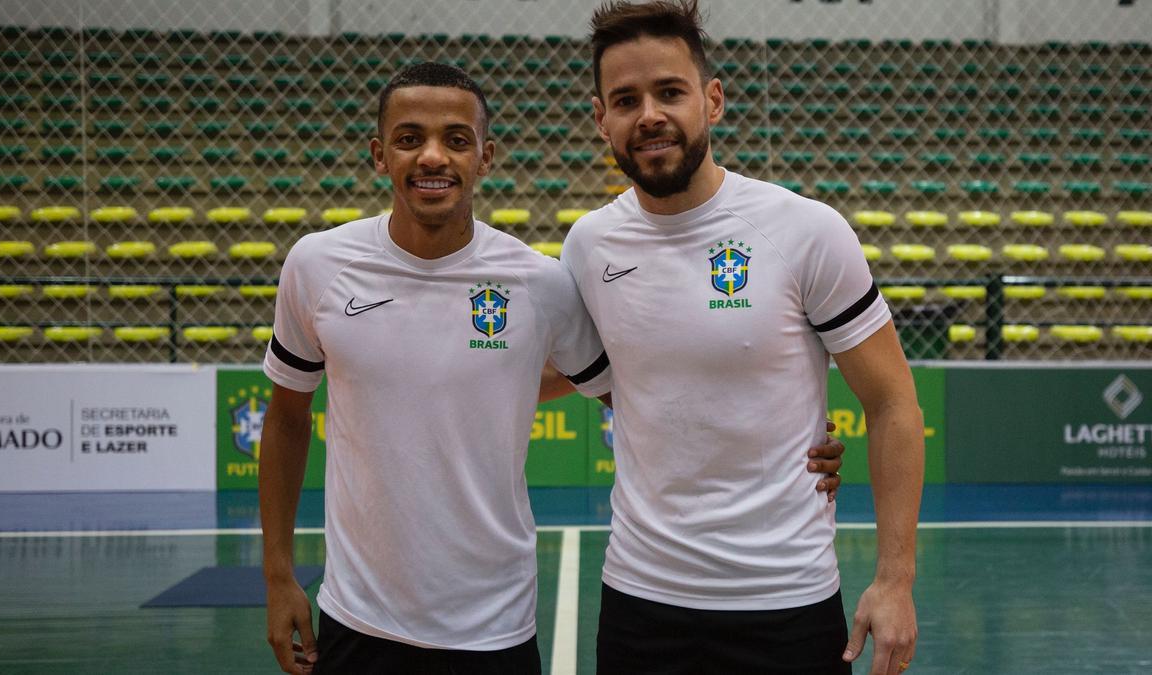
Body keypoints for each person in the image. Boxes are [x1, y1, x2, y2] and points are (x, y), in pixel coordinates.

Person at [258, 62, 847, 675]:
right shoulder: (317, 268)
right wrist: (278, 577)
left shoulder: (540, 284)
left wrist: (792, 434)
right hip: (357, 619)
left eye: (457, 140)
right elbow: (286, 422)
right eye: (409, 139)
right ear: (379, 155)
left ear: (486, 157)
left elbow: (635, 387)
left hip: (495, 628)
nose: (432, 157)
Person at [560, 2, 925, 674]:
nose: (649, 115)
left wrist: (894, 579)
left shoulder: (805, 231)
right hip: (642, 602)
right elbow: (596, 373)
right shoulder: (588, 246)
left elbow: (894, 402)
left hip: (787, 602)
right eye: (625, 99)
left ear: (713, 99)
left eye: (670, 92)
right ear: (601, 119)